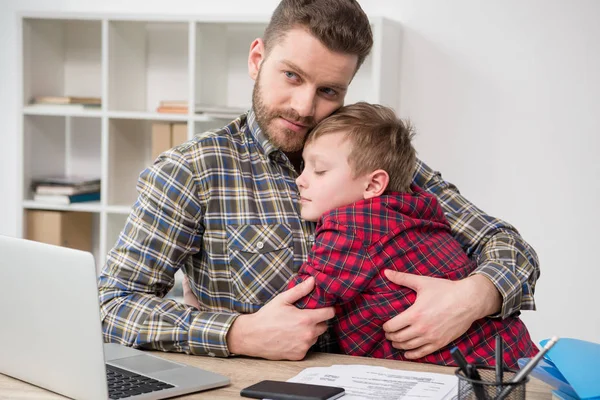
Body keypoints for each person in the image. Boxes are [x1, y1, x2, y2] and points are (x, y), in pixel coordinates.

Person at [99, 0, 540, 361]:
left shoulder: (370, 159)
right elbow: (111, 305)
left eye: (329, 90)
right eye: (291, 76)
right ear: (257, 59)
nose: (304, 107)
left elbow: (508, 246)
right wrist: (238, 333)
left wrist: (472, 298)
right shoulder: (192, 170)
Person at [286, 102, 538, 369]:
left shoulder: (348, 228)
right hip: (514, 350)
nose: (300, 180)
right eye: (303, 167)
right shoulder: (419, 204)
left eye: (319, 171)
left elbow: (304, 299)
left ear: (373, 184)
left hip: (464, 372)